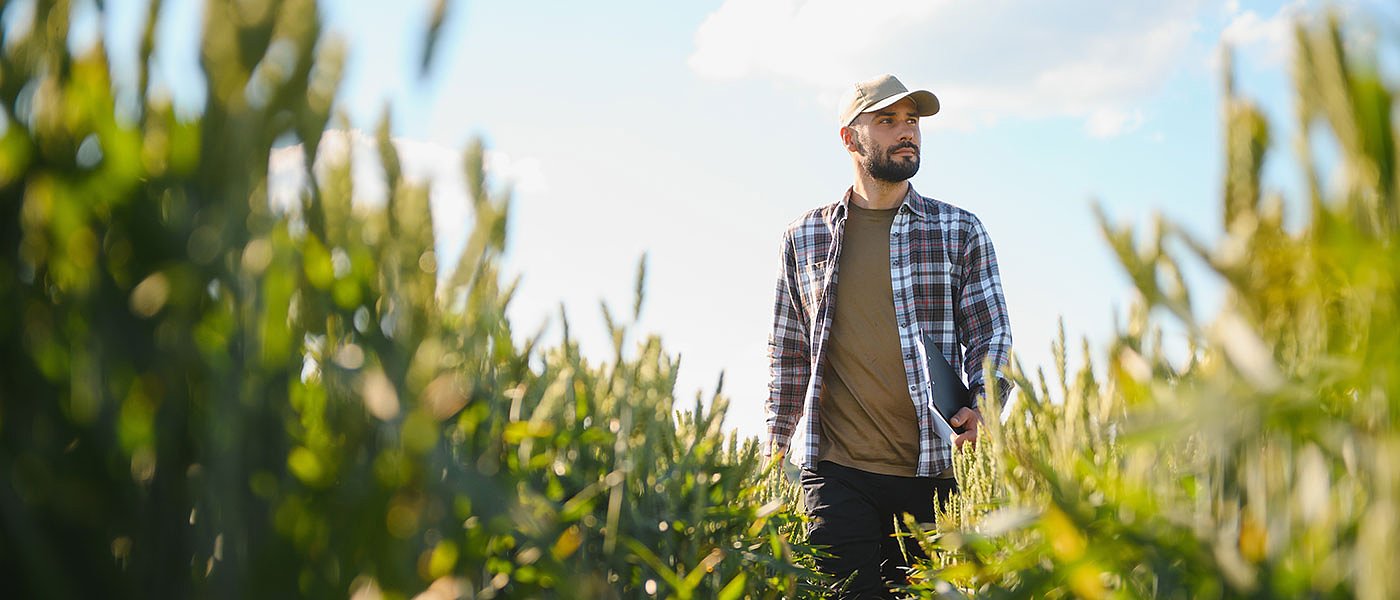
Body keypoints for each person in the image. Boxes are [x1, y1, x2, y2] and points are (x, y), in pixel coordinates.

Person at [766, 73, 1013, 598]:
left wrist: (984, 407)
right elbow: (788, 355)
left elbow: (993, 339)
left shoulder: (959, 230)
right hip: (836, 472)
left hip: (932, 473)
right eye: (887, 120)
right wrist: (772, 449)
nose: (907, 132)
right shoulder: (803, 236)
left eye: (912, 121)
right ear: (849, 138)